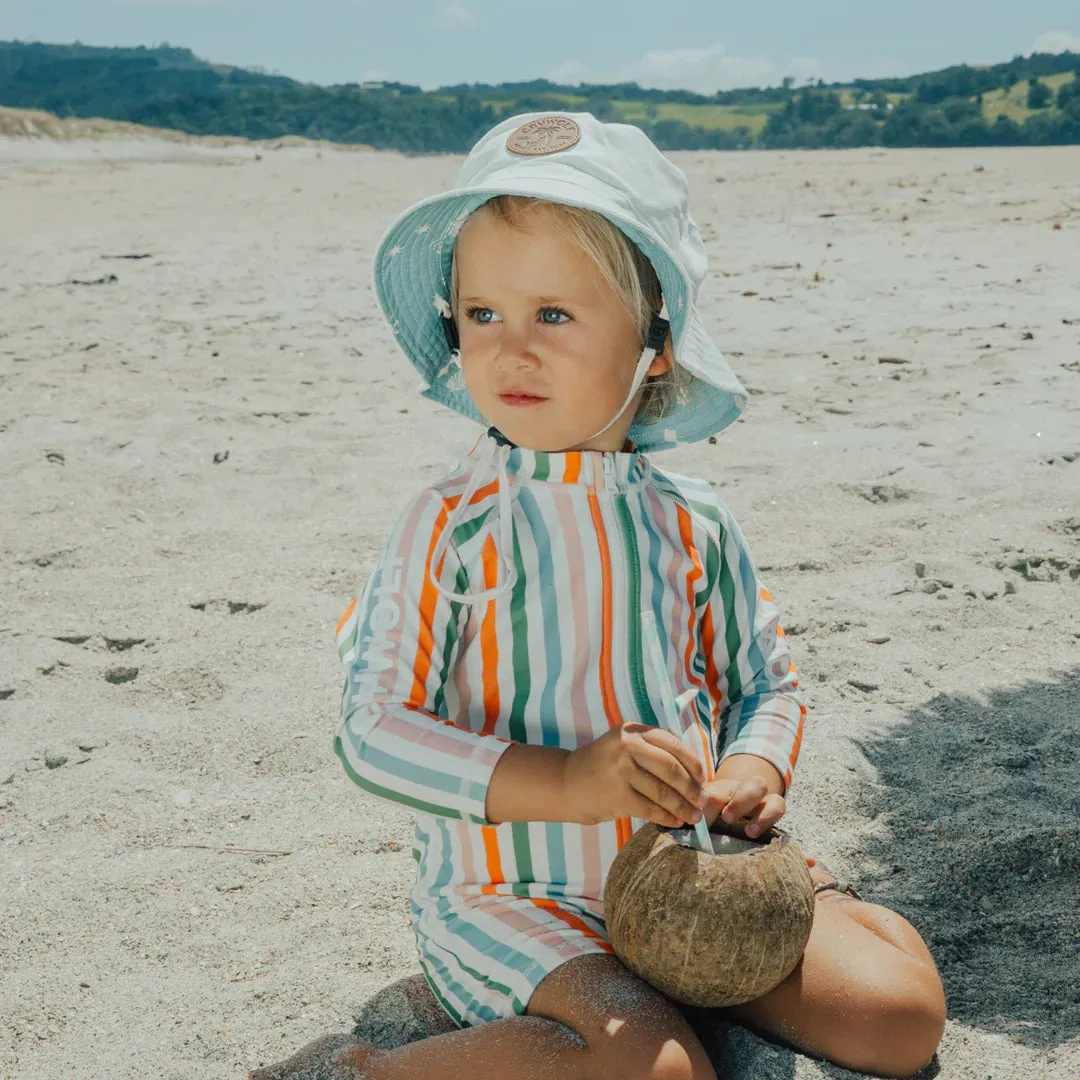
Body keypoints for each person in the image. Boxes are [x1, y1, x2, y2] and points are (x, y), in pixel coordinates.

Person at [249, 112, 946, 1080]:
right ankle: (368, 1068)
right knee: (659, 1072)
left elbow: (767, 684)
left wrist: (753, 770)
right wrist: (570, 783)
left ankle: (810, 906)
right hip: (514, 898)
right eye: (482, 315)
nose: (511, 348)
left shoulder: (693, 523)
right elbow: (369, 733)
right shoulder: (450, 524)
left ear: (655, 343)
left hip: (684, 879)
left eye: (555, 315)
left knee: (901, 1018)